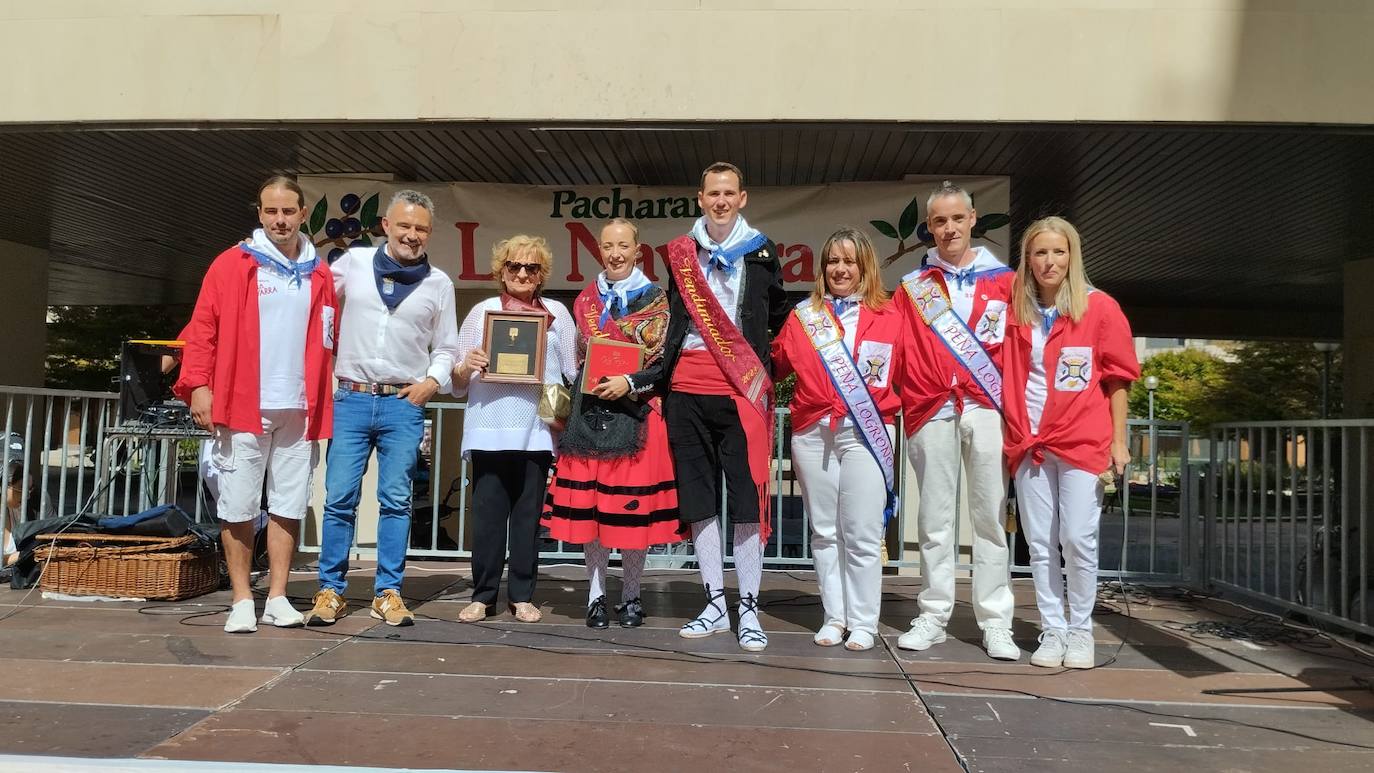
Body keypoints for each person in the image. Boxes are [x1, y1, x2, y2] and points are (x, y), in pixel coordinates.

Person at [630, 162, 790, 652]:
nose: (721, 201)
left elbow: (780, 316)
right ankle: (715, 602)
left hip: (741, 390)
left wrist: (770, 374)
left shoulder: (762, 253)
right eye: (712, 194)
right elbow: (674, 320)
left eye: (729, 193)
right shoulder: (680, 252)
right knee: (699, 501)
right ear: (700, 198)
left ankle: (749, 607)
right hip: (685, 388)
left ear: (743, 198)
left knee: (746, 501)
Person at [175, 175, 338, 634]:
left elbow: (329, 336)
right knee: (239, 503)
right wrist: (199, 386)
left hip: (299, 406)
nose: (280, 220)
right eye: (271, 211)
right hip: (244, 399)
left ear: (304, 214)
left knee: (289, 503)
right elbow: (203, 327)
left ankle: (279, 596)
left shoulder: (318, 271)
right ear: (260, 214)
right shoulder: (233, 264)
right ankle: (243, 598)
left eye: (289, 211)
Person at [305, 190, 460, 627]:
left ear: (429, 233)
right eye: (405, 225)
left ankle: (387, 592)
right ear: (386, 226)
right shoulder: (351, 264)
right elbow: (314, 304)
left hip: (401, 404)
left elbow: (446, 346)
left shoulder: (439, 283)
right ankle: (330, 591)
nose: (412, 235)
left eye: (421, 229)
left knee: (396, 501)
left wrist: (431, 383)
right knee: (339, 499)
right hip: (351, 398)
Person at [1002, 216, 1138, 669]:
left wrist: (1119, 441)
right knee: (1039, 542)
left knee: (1077, 537)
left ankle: (1081, 631)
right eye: (1040, 252)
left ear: (1072, 256)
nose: (1049, 261)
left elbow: (1118, 378)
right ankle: (1052, 629)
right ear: (1028, 259)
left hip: (1082, 440)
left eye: (1058, 252)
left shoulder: (1100, 308)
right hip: (1029, 441)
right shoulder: (1015, 310)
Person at [893, 180, 1020, 660]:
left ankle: (995, 620)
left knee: (988, 516)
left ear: (973, 219)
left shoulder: (1007, 281)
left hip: (987, 406)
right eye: (940, 221)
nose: (949, 228)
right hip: (931, 408)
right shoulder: (912, 287)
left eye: (957, 218)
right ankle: (933, 614)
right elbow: (898, 350)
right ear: (929, 228)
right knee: (935, 518)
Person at [542, 219, 680, 629]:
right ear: (599, 250)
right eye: (608, 246)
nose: (615, 253)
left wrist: (630, 383)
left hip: (637, 414)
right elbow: (575, 365)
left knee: (631, 517)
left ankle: (633, 596)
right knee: (594, 514)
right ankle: (596, 595)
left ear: (639, 251)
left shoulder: (659, 300)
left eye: (624, 245)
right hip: (592, 417)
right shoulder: (585, 300)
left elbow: (664, 366)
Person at [771, 228, 902, 652]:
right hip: (812, 430)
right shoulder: (803, 316)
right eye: (832, 261)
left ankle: (864, 621)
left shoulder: (892, 315)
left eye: (849, 261)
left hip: (866, 430)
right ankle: (834, 616)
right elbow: (772, 366)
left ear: (865, 267)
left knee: (861, 532)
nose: (840, 269)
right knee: (824, 531)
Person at [452, 235, 578, 624]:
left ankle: (522, 596)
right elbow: (456, 379)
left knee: (527, 520)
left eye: (532, 268)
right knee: (488, 519)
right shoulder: (482, 311)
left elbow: (573, 370)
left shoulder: (557, 312)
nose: (522, 274)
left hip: (537, 430)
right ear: (501, 271)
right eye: (514, 267)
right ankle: (483, 595)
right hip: (489, 427)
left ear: (542, 275)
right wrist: (468, 363)